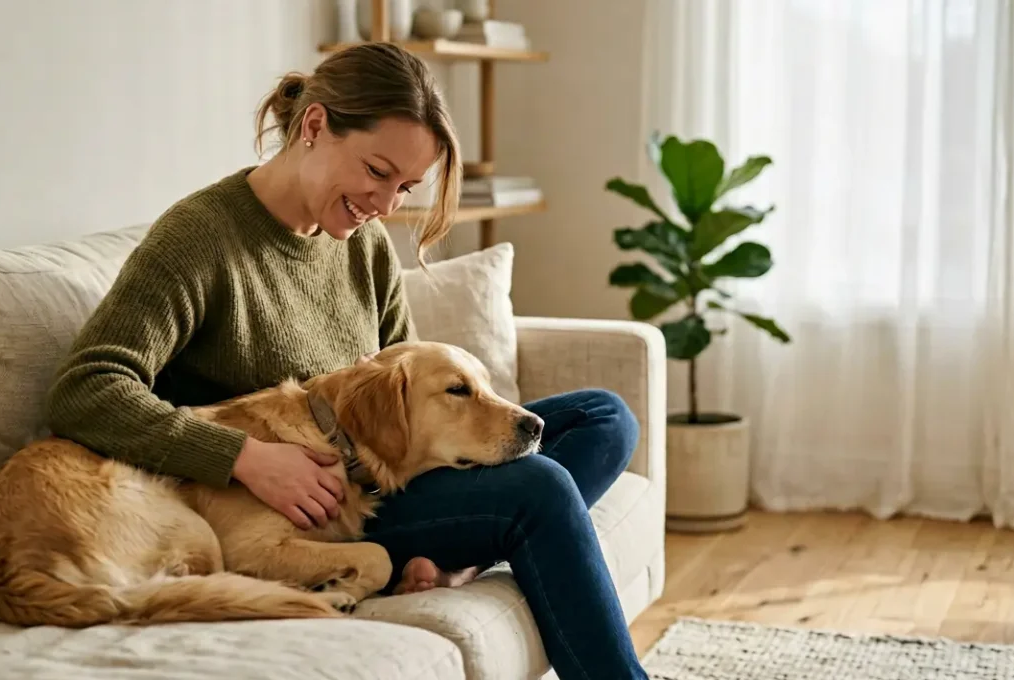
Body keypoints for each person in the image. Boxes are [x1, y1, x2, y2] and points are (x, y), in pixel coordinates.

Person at [43, 43, 648, 679]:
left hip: (384, 487)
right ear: (314, 126)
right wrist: (247, 458)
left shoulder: (366, 246)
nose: (386, 205)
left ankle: (455, 558)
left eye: (406, 186)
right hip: (294, 516)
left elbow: (411, 400)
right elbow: (87, 389)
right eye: (378, 172)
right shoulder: (198, 240)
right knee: (540, 486)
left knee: (603, 418)